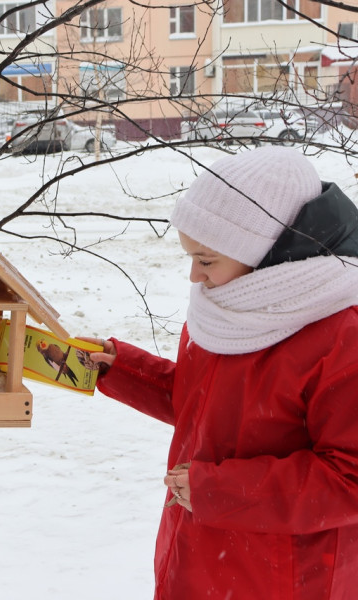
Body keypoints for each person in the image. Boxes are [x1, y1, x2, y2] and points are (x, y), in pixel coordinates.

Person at [84, 146, 358, 599]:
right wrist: (122, 369)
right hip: (196, 556)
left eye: (206, 259)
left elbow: (348, 479)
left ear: (264, 250)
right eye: (190, 257)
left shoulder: (340, 334)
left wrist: (219, 491)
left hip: (279, 577)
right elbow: (205, 404)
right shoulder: (229, 306)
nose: (194, 276)